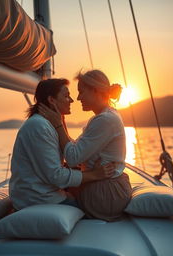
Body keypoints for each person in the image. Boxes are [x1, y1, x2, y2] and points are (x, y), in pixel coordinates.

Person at [39, 70, 132, 221]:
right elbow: (75, 148)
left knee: (49, 195)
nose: (78, 98)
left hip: (106, 194)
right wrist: (59, 121)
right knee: (56, 185)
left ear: (95, 91)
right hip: (107, 187)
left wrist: (57, 124)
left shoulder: (105, 120)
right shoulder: (105, 116)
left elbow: (73, 158)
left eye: (81, 92)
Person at [9, 78, 115, 211]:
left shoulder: (48, 124)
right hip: (37, 199)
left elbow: (71, 151)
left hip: (46, 194)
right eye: (66, 96)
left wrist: (60, 123)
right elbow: (56, 176)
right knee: (100, 207)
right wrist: (95, 174)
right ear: (51, 100)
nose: (71, 100)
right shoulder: (39, 127)